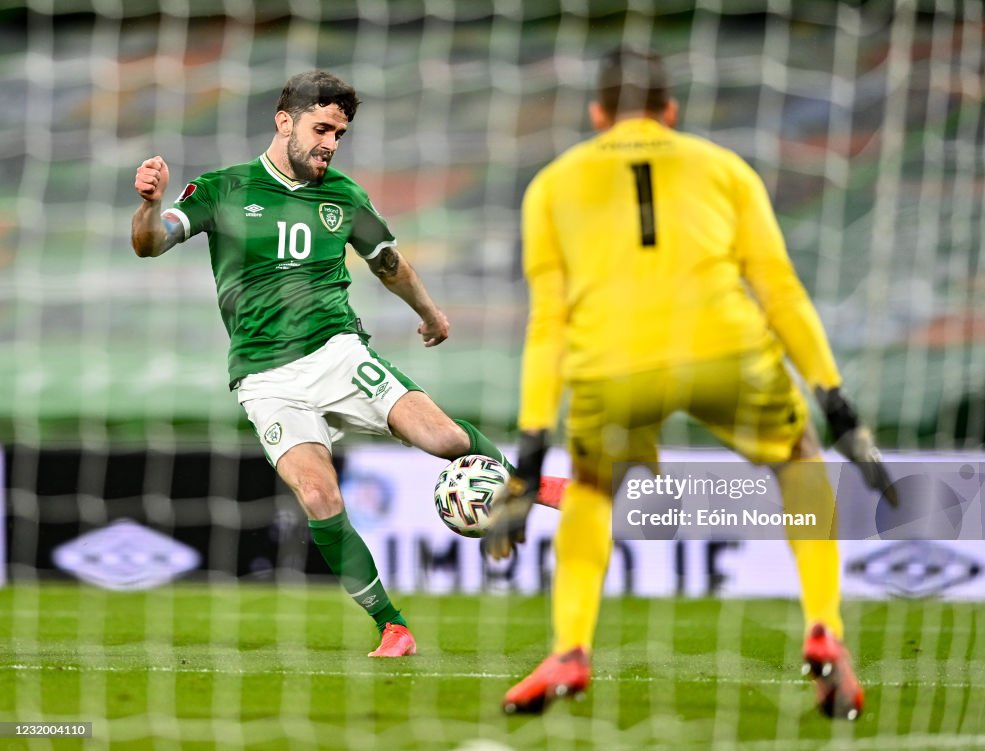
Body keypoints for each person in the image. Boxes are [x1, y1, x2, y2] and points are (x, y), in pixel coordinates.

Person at [485, 48, 896, 717]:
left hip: (611, 362)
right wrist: (836, 401)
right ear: (670, 111)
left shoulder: (552, 185)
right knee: (798, 459)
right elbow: (780, 289)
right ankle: (825, 625)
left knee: (590, 486)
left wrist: (531, 456)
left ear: (596, 113)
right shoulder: (724, 167)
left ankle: (571, 647)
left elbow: (547, 323)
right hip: (726, 350)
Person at [131, 69, 513, 658]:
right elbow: (151, 243)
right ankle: (393, 626)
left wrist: (432, 314)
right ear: (284, 122)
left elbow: (390, 265)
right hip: (264, 378)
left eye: (339, 133)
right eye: (322, 128)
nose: (330, 143)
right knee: (318, 495)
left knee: (443, 440)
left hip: (336, 352)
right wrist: (151, 207)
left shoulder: (344, 196)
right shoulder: (223, 188)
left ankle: (521, 492)